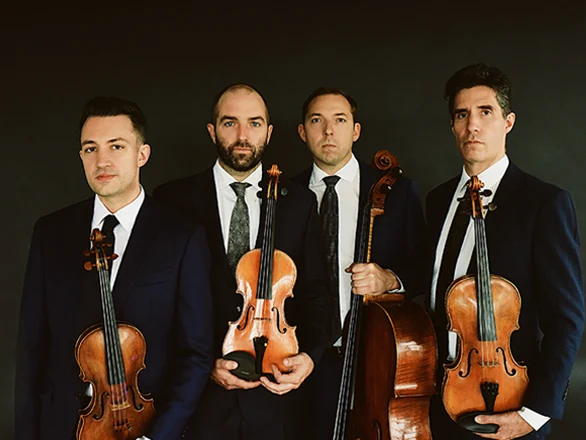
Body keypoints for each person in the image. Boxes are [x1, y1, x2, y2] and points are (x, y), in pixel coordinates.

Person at [15, 96, 214, 440]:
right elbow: (33, 348)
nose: (101, 160)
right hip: (62, 427)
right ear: (80, 156)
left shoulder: (181, 237)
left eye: (116, 146)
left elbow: (195, 355)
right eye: (90, 149)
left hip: (145, 426)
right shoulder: (51, 231)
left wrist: (158, 436)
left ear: (142, 154)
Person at [153, 84, 330, 440]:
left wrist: (309, 357)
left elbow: (315, 293)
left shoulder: (299, 202)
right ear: (212, 130)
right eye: (230, 123)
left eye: (254, 123)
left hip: (278, 395)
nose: (243, 136)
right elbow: (161, 304)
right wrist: (202, 367)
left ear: (269, 131)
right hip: (201, 400)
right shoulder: (172, 200)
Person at [425, 63, 585, 439]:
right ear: (452, 125)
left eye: (486, 112)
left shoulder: (544, 202)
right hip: (438, 400)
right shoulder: (437, 201)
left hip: (510, 401)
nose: (472, 126)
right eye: (462, 114)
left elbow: (567, 320)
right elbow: (431, 277)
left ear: (508, 122)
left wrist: (535, 414)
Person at [291, 87, 426, 438]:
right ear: (303, 132)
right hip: (303, 357)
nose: (328, 131)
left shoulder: (397, 192)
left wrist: (389, 279)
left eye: (340, 120)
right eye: (316, 121)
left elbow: (426, 266)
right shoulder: (285, 195)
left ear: (356, 131)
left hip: (376, 354)